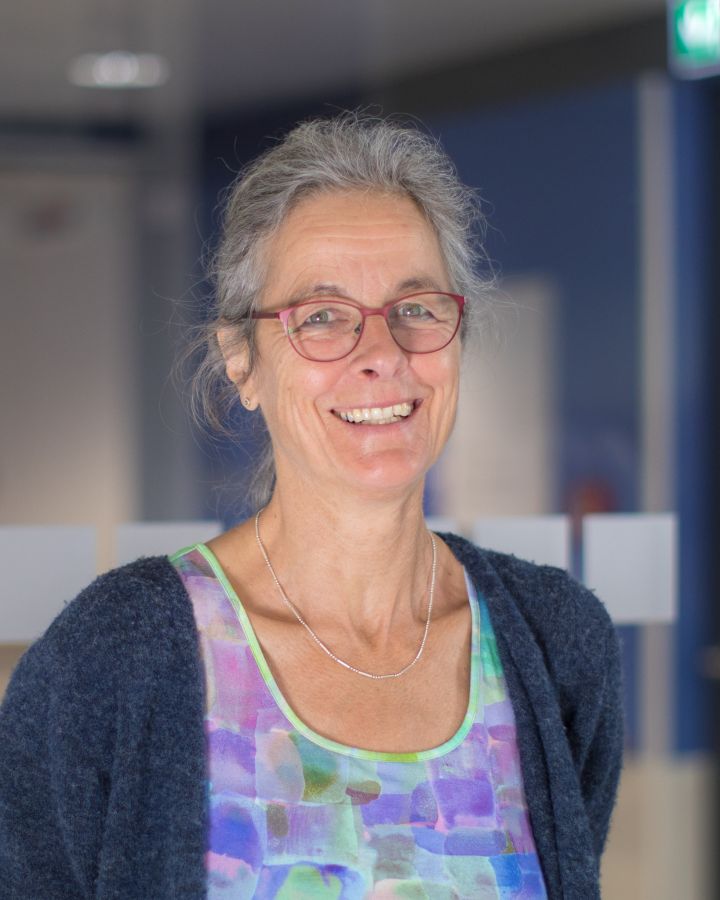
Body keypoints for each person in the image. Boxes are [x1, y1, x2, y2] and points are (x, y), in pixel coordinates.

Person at [0, 114, 622, 899]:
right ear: (241, 362)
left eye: (417, 307)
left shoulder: (557, 642)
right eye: (322, 316)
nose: (382, 355)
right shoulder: (114, 657)